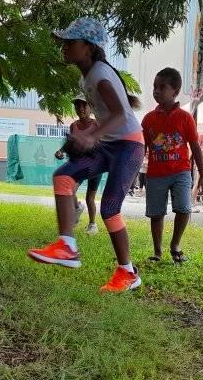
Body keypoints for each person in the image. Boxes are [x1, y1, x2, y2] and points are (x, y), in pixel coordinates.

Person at [28, 17, 145, 292]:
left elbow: (119, 113)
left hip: (129, 145)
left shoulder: (100, 75)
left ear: (89, 47)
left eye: (71, 43)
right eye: (64, 42)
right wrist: (90, 136)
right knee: (63, 177)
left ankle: (127, 272)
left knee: (109, 209)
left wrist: (91, 135)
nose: (64, 47)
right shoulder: (88, 75)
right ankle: (66, 246)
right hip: (109, 144)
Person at [141, 68, 203, 263]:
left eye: (162, 87)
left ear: (175, 91)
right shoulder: (148, 119)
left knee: (184, 208)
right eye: (155, 87)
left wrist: (202, 175)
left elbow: (195, 147)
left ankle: (175, 244)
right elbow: (141, 148)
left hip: (181, 172)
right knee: (156, 213)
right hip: (155, 174)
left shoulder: (186, 118)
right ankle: (157, 252)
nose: (157, 91)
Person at [55, 95, 102, 235]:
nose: (80, 108)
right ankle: (77, 208)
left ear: (90, 107)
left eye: (84, 105)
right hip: (79, 166)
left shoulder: (97, 124)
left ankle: (92, 224)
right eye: (77, 105)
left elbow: (103, 143)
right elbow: (70, 142)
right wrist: (61, 151)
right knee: (70, 190)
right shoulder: (73, 126)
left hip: (95, 166)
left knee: (90, 198)